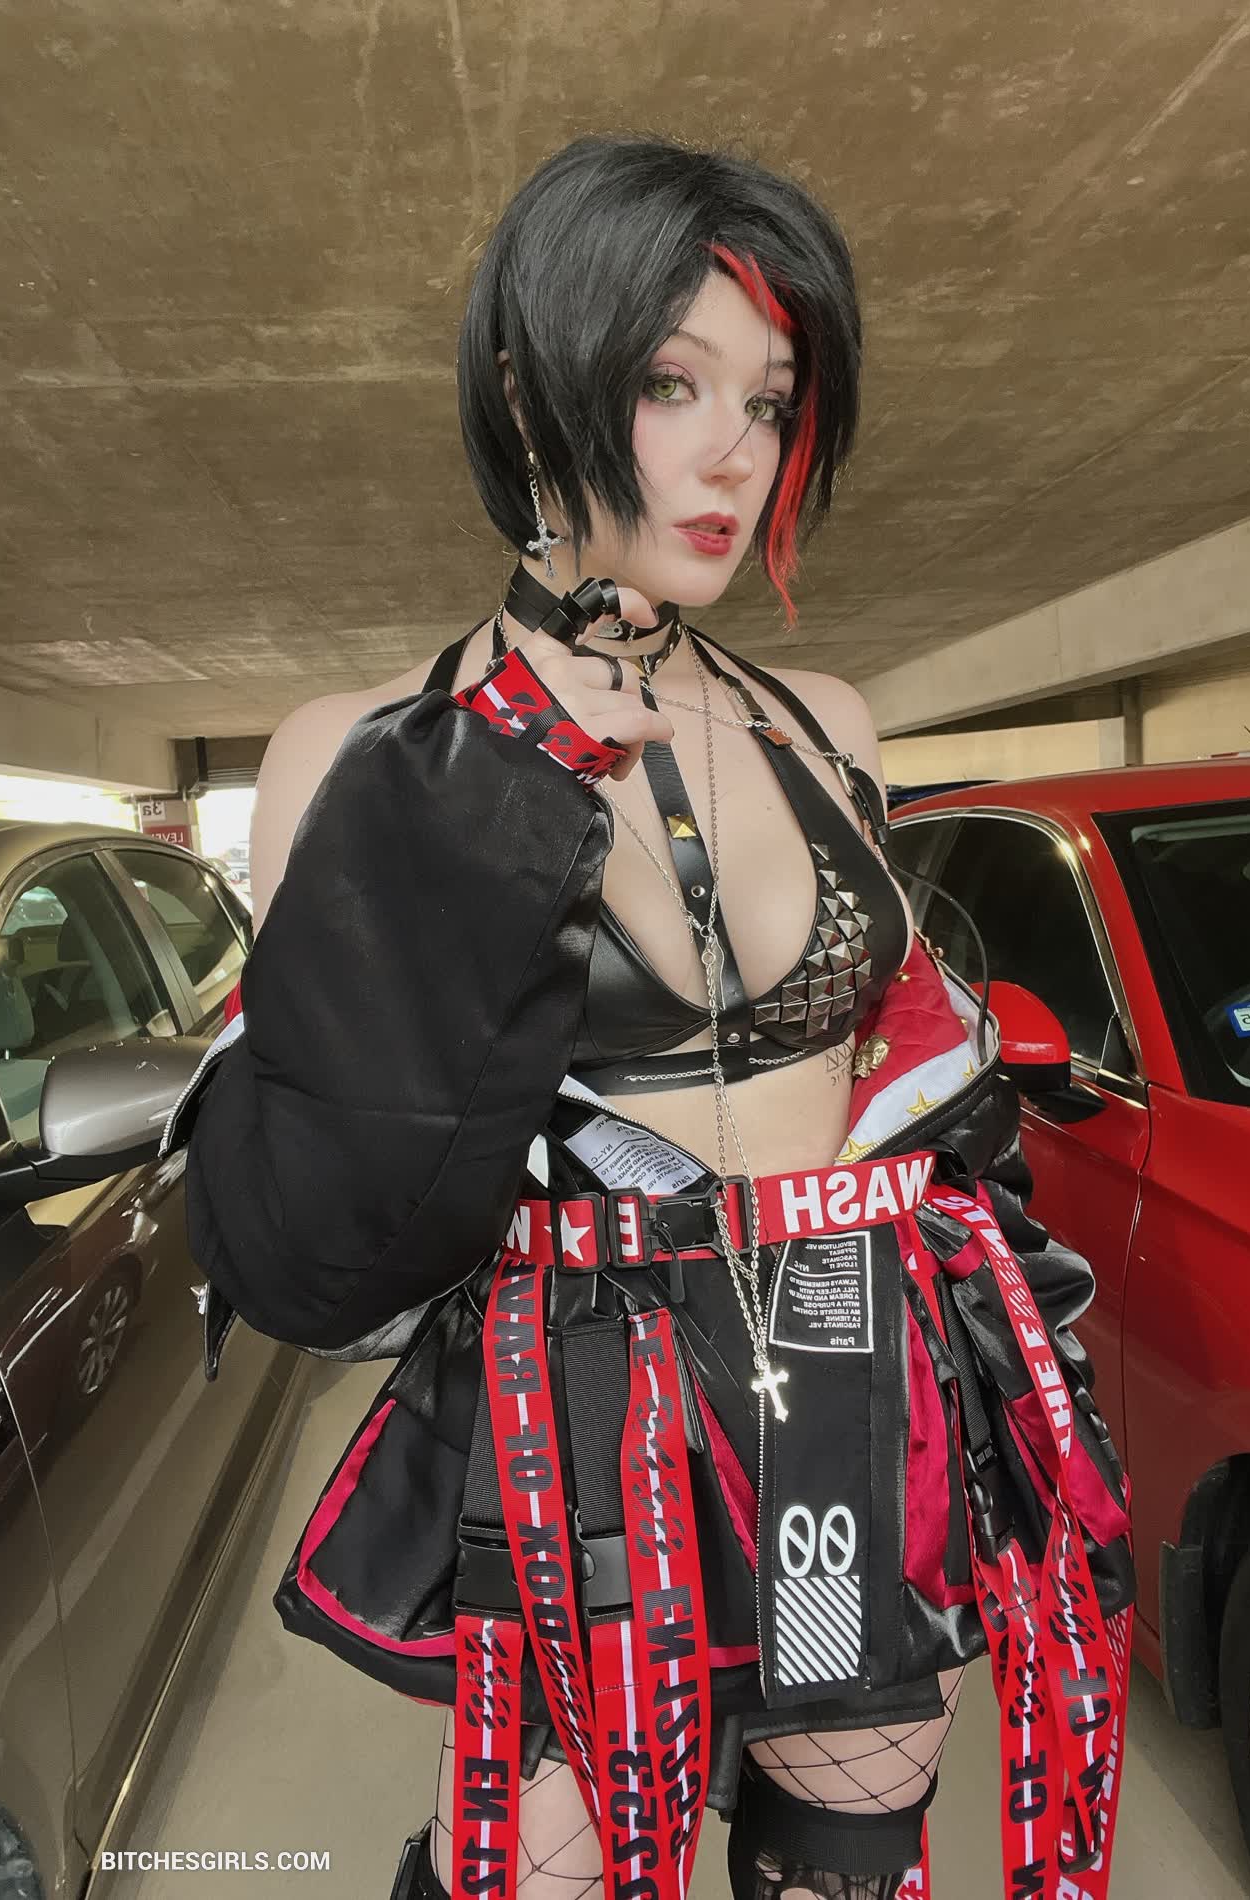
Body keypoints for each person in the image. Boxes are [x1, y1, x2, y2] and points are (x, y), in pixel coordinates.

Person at [168, 135, 1133, 1900]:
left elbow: (911, 1079)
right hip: (580, 1425)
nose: (733, 454)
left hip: (854, 1379)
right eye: (671, 384)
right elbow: (324, 1232)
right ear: (529, 393)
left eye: (765, 401)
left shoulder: (827, 723)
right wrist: (488, 788)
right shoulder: (358, 753)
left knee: (842, 1863)